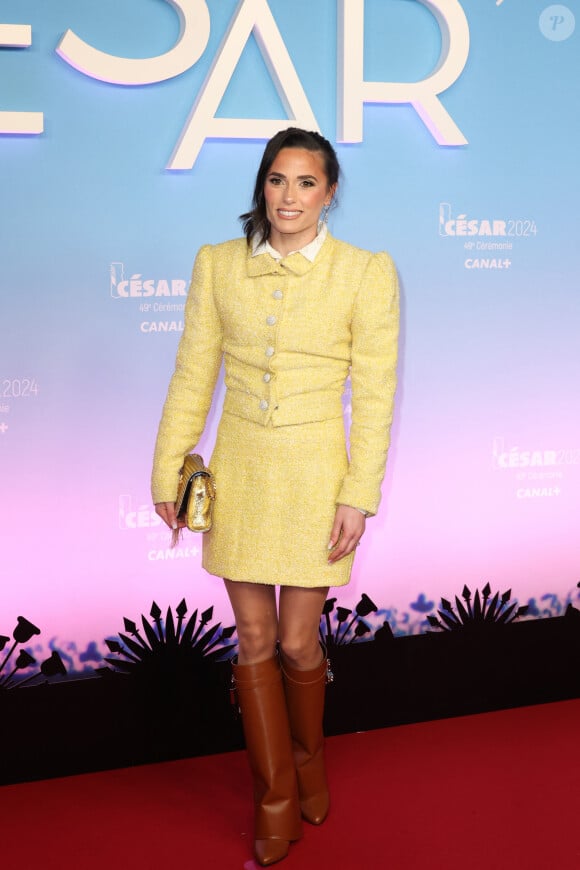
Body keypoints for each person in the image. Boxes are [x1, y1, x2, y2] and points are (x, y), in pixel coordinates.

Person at [151, 127, 399, 866]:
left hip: (318, 478)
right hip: (243, 474)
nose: (289, 197)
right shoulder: (218, 264)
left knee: (297, 641)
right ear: (262, 186)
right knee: (253, 640)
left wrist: (359, 493)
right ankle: (275, 797)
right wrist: (169, 468)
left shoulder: (365, 272)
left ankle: (308, 755)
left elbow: (377, 394)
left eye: (306, 183)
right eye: (277, 181)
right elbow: (193, 372)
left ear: (329, 193)